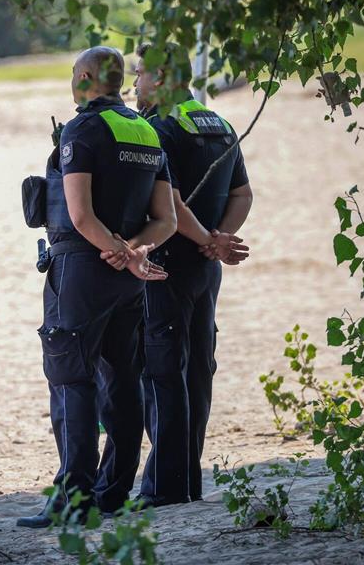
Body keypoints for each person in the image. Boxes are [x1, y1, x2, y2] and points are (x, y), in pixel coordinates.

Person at [17, 47, 178, 528]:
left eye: (73, 74)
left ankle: (73, 496)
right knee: (123, 380)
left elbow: (81, 214)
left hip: (82, 271)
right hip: (126, 278)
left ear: (85, 77)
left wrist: (117, 250)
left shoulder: (81, 130)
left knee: (71, 378)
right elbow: (165, 220)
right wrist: (131, 253)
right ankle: (113, 490)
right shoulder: (145, 130)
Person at [132, 43, 253, 506]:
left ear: (161, 78)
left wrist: (204, 237)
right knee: (198, 368)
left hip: (168, 264)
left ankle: (166, 487)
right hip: (206, 270)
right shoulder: (219, 124)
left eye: (140, 74)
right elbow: (243, 194)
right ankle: (188, 479)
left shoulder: (157, 127)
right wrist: (221, 238)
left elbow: (172, 203)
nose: (135, 84)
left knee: (164, 371)